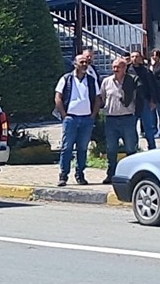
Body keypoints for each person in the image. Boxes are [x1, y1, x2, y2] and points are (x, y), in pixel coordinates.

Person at [54, 54, 99, 187]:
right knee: (67, 148)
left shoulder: (91, 80)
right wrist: (64, 114)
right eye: (82, 62)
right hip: (71, 119)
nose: (85, 64)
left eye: (86, 62)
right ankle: (63, 175)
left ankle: (80, 174)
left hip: (86, 119)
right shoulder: (66, 79)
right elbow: (58, 97)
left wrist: (93, 115)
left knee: (83, 148)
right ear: (75, 64)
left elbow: (97, 98)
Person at [98, 57, 138, 184]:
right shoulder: (106, 81)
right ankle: (111, 174)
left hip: (127, 118)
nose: (115, 70)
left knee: (130, 148)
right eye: (114, 67)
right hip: (111, 120)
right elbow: (102, 98)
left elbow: (137, 98)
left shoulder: (131, 81)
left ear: (125, 69)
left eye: (118, 67)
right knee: (111, 149)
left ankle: (131, 174)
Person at [128, 51, 160, 150]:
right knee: (132, 127)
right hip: (131, 102)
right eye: (132, 57)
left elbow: (151, 86)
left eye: (136, 56)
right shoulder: (127, 70)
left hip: (144, 101)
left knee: (148, 126)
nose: (134, 58)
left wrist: (153, 100)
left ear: (140, 58)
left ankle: (152, 147)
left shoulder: (146, 71)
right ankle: (134, 147)